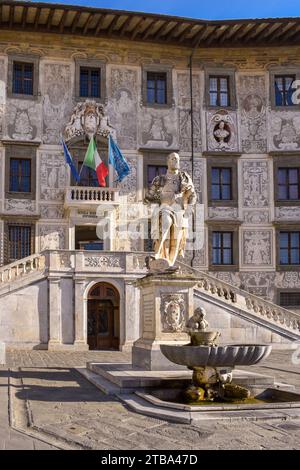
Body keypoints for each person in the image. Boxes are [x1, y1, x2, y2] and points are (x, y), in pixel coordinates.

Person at [145, 152, 196, 266]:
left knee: (176, 240)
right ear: (167, 161)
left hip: (180, 210)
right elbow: (148, 197)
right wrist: (158, 196)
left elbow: (193, 195)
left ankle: (170, 264)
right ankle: (158, 254)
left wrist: (190, 208)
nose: (176, 161)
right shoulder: (160, 179)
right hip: (165, 207)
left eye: (177, 159)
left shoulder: (184, 178)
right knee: (166, 222)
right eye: (173, 159)